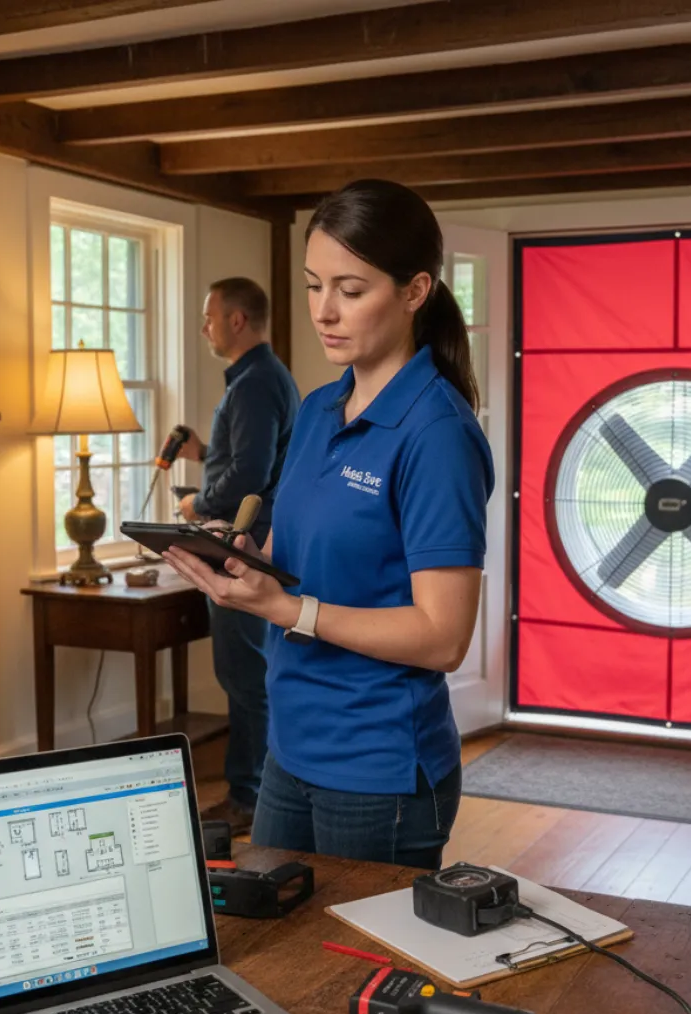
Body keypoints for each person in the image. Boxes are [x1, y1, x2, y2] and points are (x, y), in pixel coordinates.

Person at [164, 181, 493, 869]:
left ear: (414, 291)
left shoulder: (436, 433)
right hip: (291, 749)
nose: (323, 311)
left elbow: (443, 638)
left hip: (381, 769)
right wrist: (244, 558)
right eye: (315, 286)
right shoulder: (318, 411)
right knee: (280, 964)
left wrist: (288, 608)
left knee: (361, 976)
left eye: (350, 288)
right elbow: (290, 552)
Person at [178, 277, 300, 834]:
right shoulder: (259, 379)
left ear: (235, 320)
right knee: (249, 674)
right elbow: (250, 454)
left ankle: (249, 797)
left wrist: (195, 502)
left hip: (240, 549)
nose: (203, 326)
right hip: (250, 544)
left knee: (243, 677)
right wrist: (203, 453)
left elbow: (248, 476)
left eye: (209, 315)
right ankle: (260, 788)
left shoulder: (253, 383)